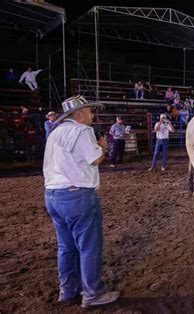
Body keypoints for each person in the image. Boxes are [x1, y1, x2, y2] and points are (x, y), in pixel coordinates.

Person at [43, 95, 119, 308]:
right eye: (88, 111)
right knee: (89, 246)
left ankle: (67, 290)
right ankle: (93, 293)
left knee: (66, 247)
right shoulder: (83, 131)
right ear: (79, 114)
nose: (91, 115)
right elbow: (95, 159)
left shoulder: (55, 133)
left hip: (53, 194)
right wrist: (102, 146)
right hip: (77, 195)